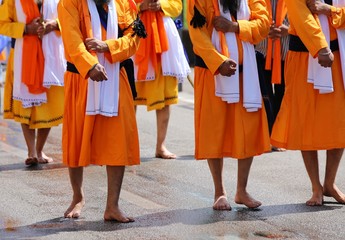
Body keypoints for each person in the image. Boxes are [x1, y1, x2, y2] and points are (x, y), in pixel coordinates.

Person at [58, 0, 144, 222]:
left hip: (117, 76)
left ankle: (112, 206)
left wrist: (108, 47)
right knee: (77, 139)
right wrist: (89, 65)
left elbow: (135, 37)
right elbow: (71, 39)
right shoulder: (69, 3)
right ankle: (77, 197)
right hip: (81, 78)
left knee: (118, 142)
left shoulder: (125, 3)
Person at [187, 0, 270, 210]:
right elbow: (198, 35)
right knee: (215, 130)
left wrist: (235, 27)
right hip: (212, 72)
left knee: (249, 130)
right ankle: (219, 192)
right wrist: (218, 62)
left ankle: (241, 191)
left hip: (246, 72)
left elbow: (263, 23)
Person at [271, 0, 345, 206]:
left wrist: (330, 10)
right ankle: (316, 187)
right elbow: (301, 16)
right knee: (306, 120)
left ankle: (330, 183)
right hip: (305, 56)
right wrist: (321, 48)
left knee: (339, 118)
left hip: (339, 56)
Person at [0, 0, 65, 165]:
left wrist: (55, 24)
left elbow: (72, 19)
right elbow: (2, 24)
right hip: (23, 57)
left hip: (51, 57)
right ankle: (31, 151)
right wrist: (25, 29)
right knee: (25, 104)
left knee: (48, 105)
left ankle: (39, 149)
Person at [133, 0, 190, 159]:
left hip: (164, 38)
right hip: (138, 34)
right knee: (131, 97)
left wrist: (161, 5)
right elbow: (121, 5)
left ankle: (160, 146)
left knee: (165, 97)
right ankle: (128, 145)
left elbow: (177, 5)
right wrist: (140, 7)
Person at [255, 0, 289, 151]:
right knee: (265, 95)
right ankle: (268, 135)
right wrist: (263, 28)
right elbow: (249, 14)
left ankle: (278, 137)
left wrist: (288, 29)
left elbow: (307, 17)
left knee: (283, 95)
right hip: (262, 50)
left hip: (286, 52)